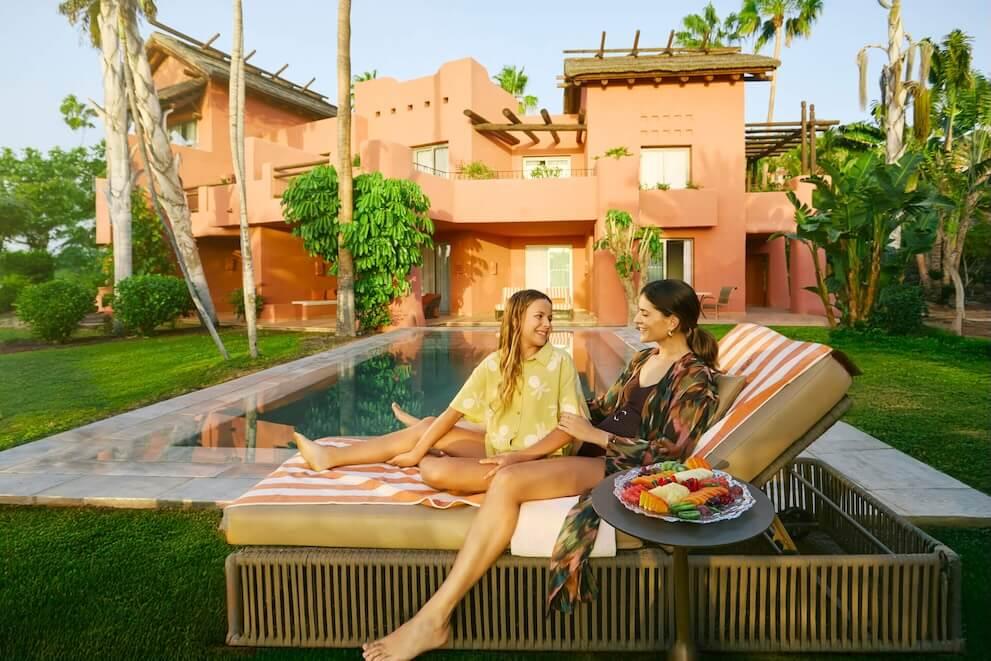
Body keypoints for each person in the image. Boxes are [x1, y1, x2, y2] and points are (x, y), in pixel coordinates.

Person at [362, 279, 720, 661]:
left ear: (672, 322)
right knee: (455, 437)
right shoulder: (642, 360)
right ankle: (418, 441)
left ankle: (434, 619)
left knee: (508, 477)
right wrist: (558, 411)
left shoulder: (694, 378)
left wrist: (595, 437)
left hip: (618, 465)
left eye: (645, 313)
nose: (636, 319)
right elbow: (601, 406)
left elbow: (671, 454)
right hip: (585, 444)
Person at [294, 289, 588, 493]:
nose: (548, 324)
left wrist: (517, 458)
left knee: (433, 471)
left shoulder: (559, 363)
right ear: (516, 320)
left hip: (539, 462)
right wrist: (417, 451)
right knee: (426, 428)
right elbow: (452, 413)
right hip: (495, 450)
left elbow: (568, 429)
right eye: (540, 316)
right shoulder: (493, 364)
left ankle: (431, 453)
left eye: (550, 318)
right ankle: (330, 457)